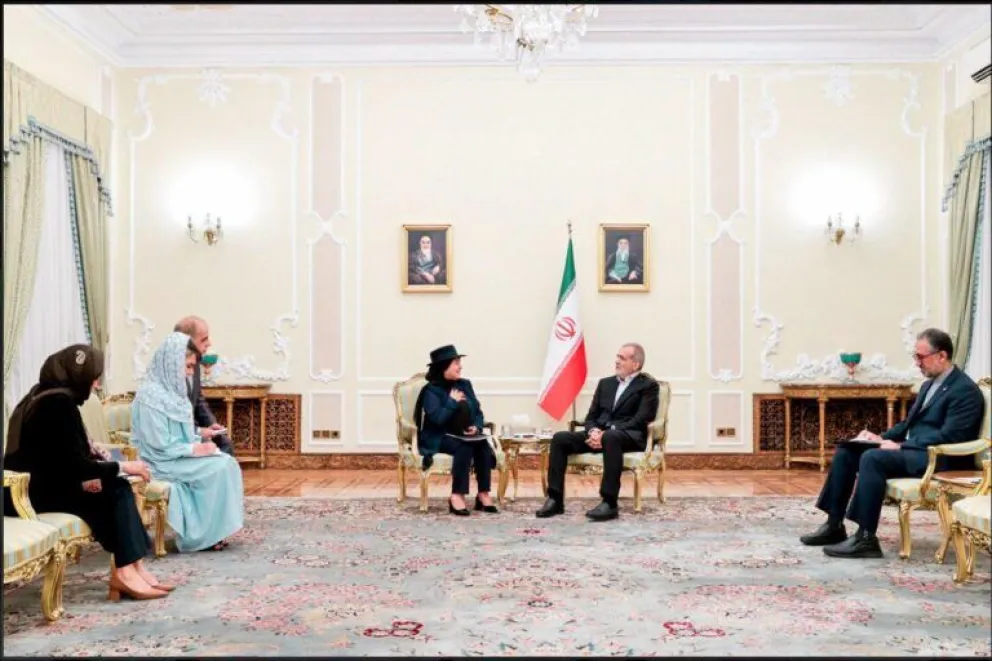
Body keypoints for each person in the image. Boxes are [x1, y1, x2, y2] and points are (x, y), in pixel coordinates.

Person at [3, 345, 172, 601]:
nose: (96, 384)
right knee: (114, 491)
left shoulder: (48, 396)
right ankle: (125, 573)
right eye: (93, 377)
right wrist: (125, 466)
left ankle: (134, 568)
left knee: (115, 487)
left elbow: (69, 462)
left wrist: (113, 470)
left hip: (45, 485)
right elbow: (78, 468)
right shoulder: (58, 405)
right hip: (32, 493)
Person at [800, 328, 986, 559]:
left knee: (873, 458)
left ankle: (866, 538)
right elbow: (908, 424)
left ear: (942, 356)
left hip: (940, 458)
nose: (917, 363)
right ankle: (834, 525)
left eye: (921, 357)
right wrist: (881, 438)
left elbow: (951, 436)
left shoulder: (965, 391)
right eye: (915, 356)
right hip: (916, 450)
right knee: (848, 450)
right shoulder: (930, 385)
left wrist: (901, 446)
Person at [131, 332, 245, 552]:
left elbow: (179, 432)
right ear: (172, 363)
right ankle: (201, 535)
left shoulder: (175, 392)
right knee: (219, 466)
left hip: (176, 455)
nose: (190, 372)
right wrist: (196, 449)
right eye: (188, 366)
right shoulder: (149, 397)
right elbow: (159, 443)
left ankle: (212, 531)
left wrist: (200, 435)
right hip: (158, 461)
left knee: (225, 462)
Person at [537, 343, 660, 522]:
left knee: (611, 437)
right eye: (617, 357)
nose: (617, 361)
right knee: (560, 438)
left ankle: (609, 503)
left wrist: (606, 432)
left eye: (622, 358)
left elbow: (641, 419)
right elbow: (591, 416)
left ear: (636, 364)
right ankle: (555, 499)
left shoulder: (648, 386)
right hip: (601, 435)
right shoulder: (606, 383)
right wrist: (594, 431)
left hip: (628, 436)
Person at [412, 345, 498, 515]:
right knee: (463, 446)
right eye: (456, 363)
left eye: (460, 362)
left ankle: (483, 494)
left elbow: (478, 411)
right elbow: (437, 420)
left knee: (482, 444)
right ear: (444, 367)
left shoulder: (465, 385)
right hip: (440, 436)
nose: (460, 366)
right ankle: (457, 496)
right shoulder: (431, 391)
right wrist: (452, 401)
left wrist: (476, 426)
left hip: (464, 434)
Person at [173, 315, 233, 455]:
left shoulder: (196, 363)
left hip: (193, 430)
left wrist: (211, 423)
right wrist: (199, 432)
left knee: (225, 443)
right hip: (180, 437)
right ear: (188, 341)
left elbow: (198, 399)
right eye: (204, 339)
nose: (209, 343)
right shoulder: (172, 370)